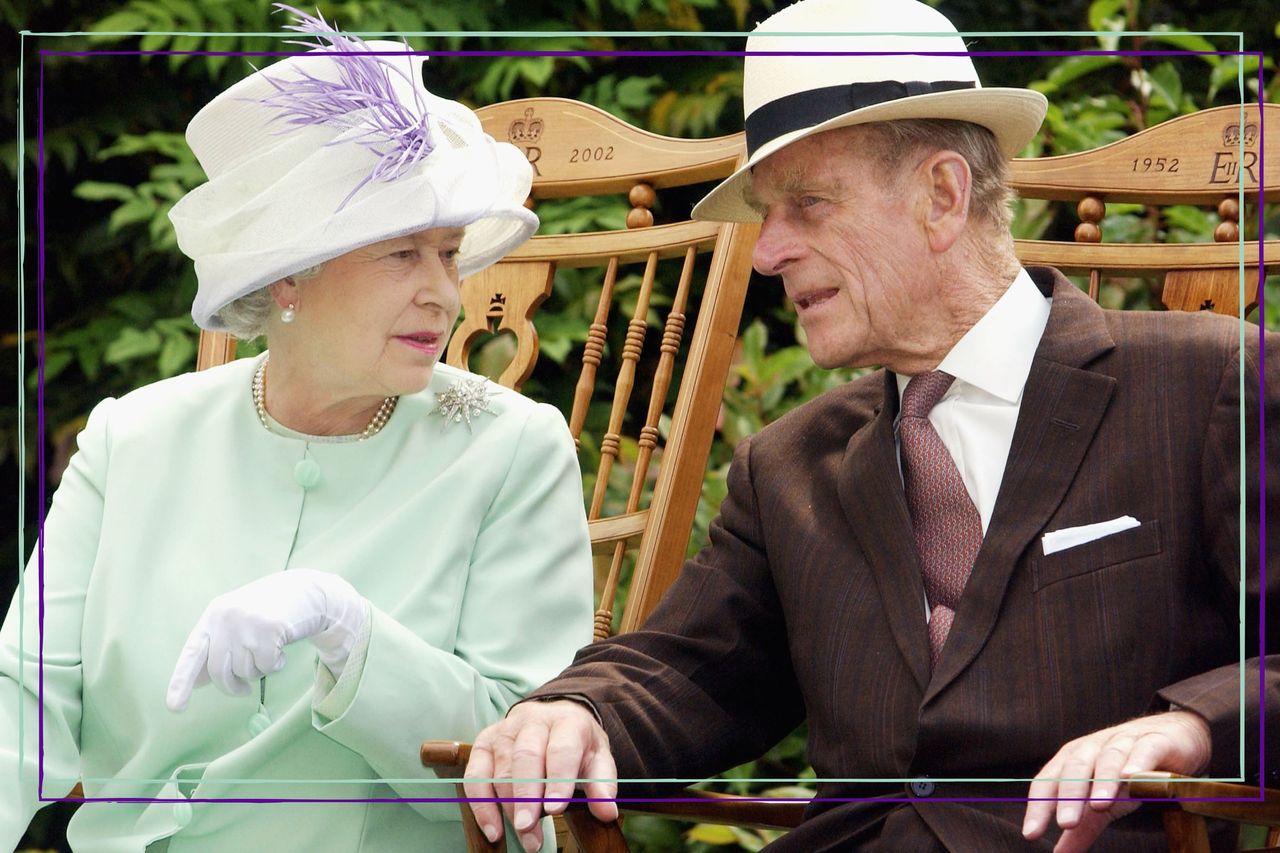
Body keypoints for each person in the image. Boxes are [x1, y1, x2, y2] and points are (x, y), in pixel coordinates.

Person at [462, 0, 1278, 851]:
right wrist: (570, 712)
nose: (767, 249)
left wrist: (1197, 726)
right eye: (766, 212)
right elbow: (689, 669)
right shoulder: (787, 467)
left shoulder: (1213, 386)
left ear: (941, 195)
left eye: (807, 204)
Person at [1, 7, 594, 851]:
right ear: (288, 280)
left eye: (449, 251)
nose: (444, 293)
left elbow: (518, 759)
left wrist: (351, 632)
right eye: (402, 255)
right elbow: (24, 693)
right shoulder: (130, 439)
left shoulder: (512, 450)